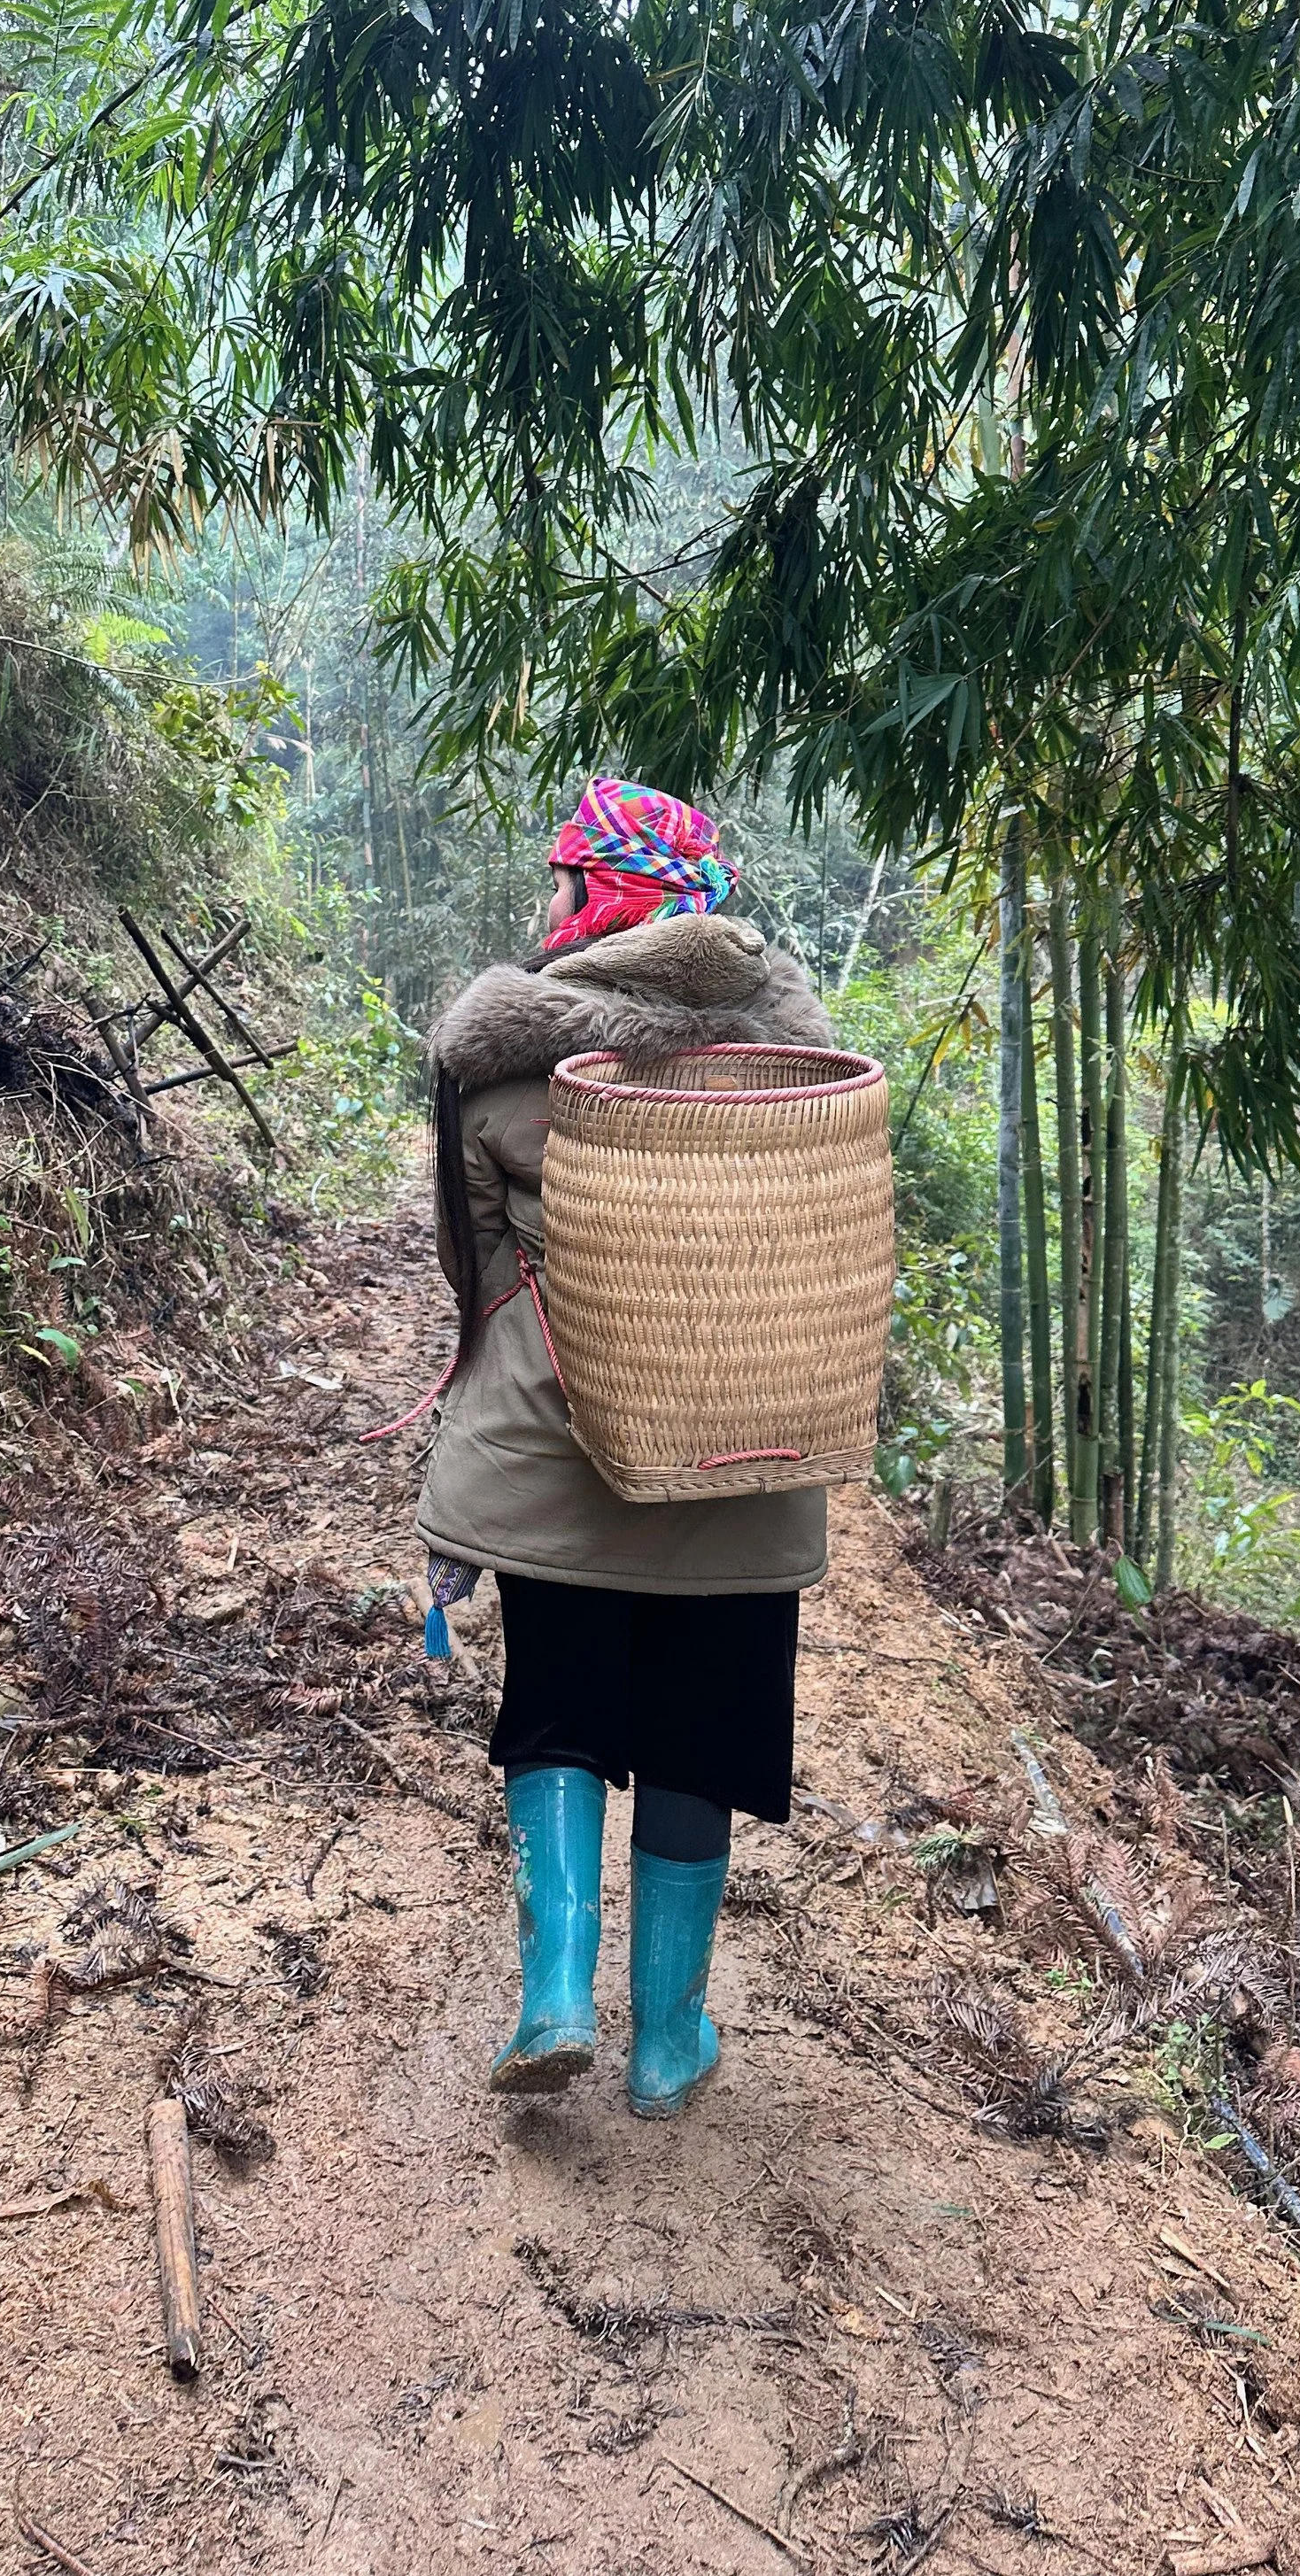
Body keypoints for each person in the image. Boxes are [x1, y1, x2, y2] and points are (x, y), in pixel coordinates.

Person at [417, 777, 833, 2116]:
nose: (546, 905)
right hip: (744, 1462)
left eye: (560, 879)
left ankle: (552, 1998)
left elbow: (476, 1284)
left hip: (560, 1457)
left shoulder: (511, 1074)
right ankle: (666, 2045)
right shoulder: (807, 1074)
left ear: (604, 897)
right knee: (698, 1736)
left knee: (560, 1710)